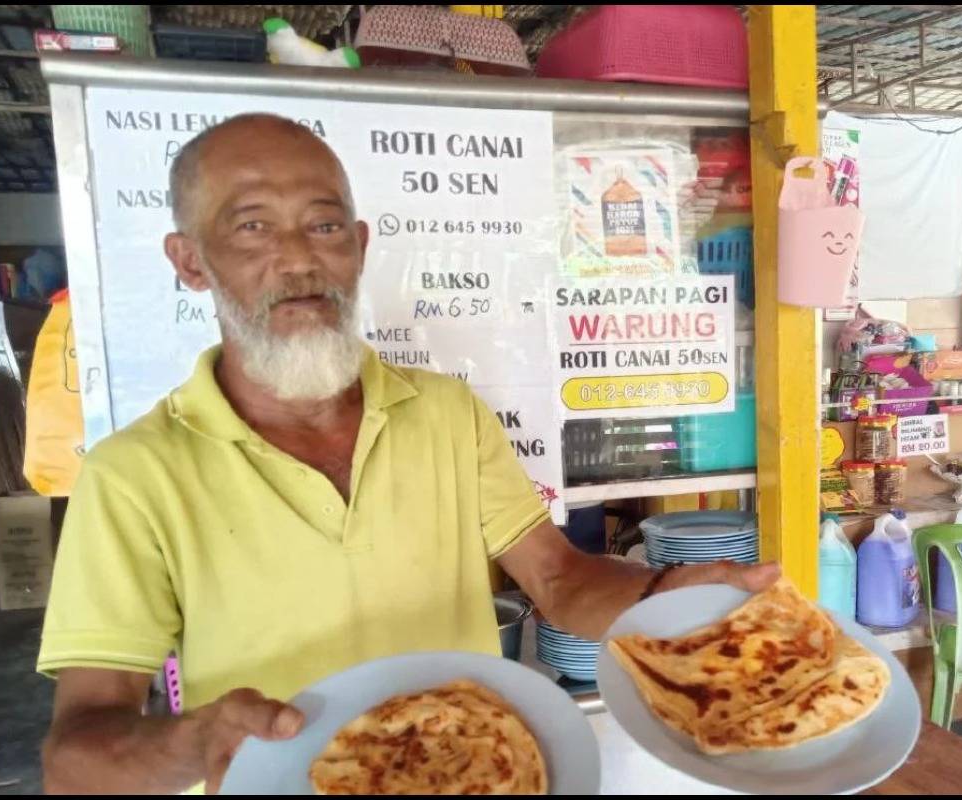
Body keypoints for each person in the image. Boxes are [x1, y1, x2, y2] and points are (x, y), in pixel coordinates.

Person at [38, 114, 778, 794]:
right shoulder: (133, 475)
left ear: (358, 248)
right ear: (191, 261)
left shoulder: (447, 414)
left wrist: (663, 594)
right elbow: (74, 752)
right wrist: (195, 741)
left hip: (476, 771)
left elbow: (558, 579)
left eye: (324, 225)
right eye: (253, 226)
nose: (299, 260)